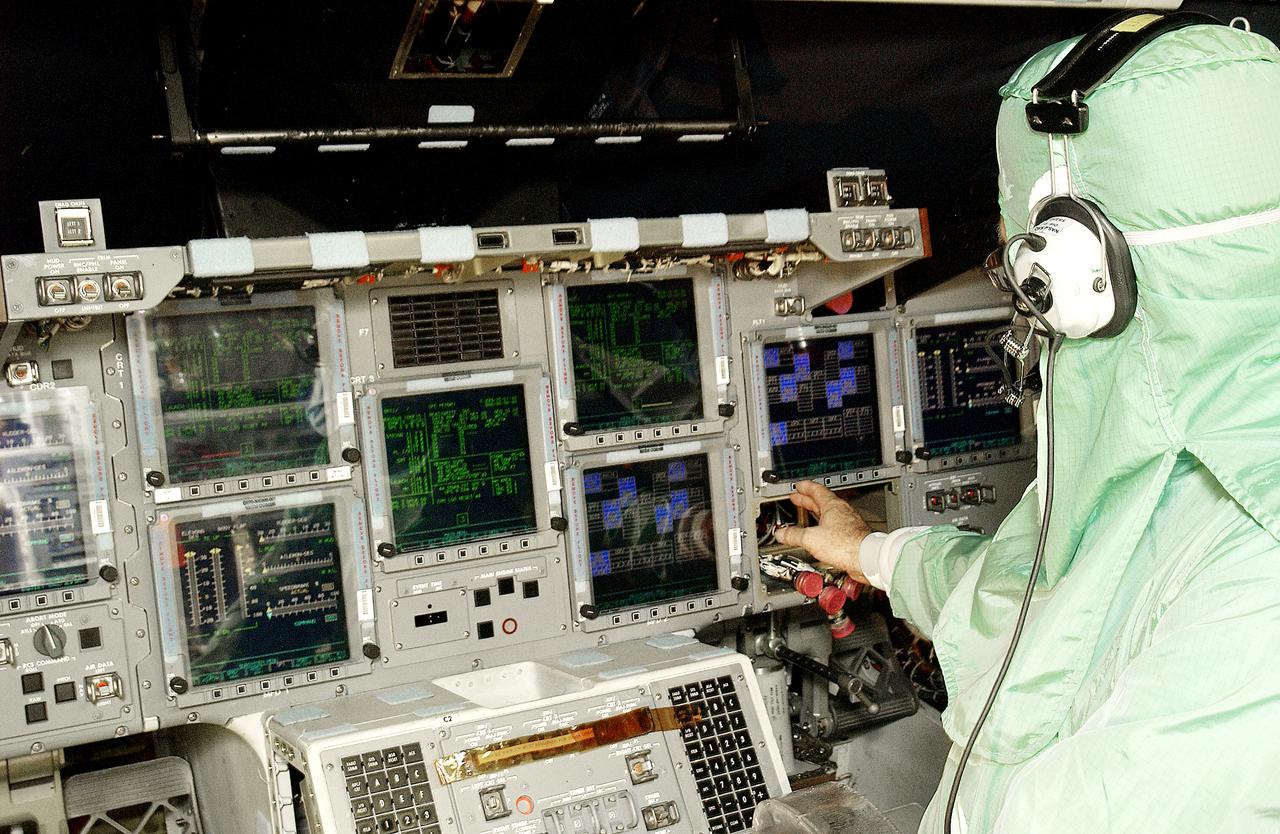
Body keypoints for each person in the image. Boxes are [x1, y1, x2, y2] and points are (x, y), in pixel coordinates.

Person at [776, 17, 1280, 834]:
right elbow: (1033, 606)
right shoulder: (1178, 454)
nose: (1016, 276)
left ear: (1079, 267)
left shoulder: (1258, 577)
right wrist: (866, 549)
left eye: (1016, 255)